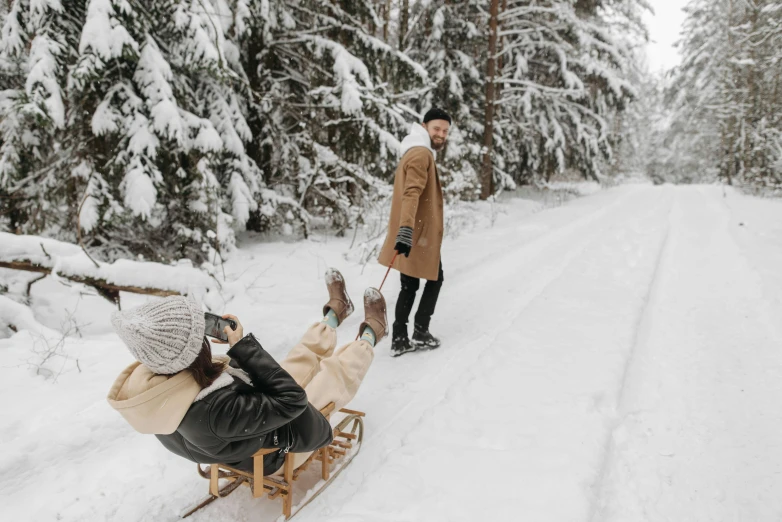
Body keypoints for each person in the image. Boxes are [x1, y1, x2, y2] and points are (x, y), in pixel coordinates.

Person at [107, 269, 387, 476]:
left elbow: (232, 388)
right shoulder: (213, 412)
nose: (204, 333)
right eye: (197, 332)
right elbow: (292, 400)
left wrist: (240, 352)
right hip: (277, 451)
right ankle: (369, 337)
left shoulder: (161, 381)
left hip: (247, 427)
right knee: (332, 376)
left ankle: (333, 317)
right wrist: (241, 347)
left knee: (298, 360)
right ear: (190, 351)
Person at [378, 108, 451, 357]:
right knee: (434, 279)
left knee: (409, 285)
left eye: (445, 131)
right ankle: (419, 331)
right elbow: (411, 193)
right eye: (437, 129)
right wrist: (406, 231)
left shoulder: (416, 149)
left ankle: (400, 338)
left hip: (414, 232)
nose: (441, 134)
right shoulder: (421, 154)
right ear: (424, 126)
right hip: (417, 235)